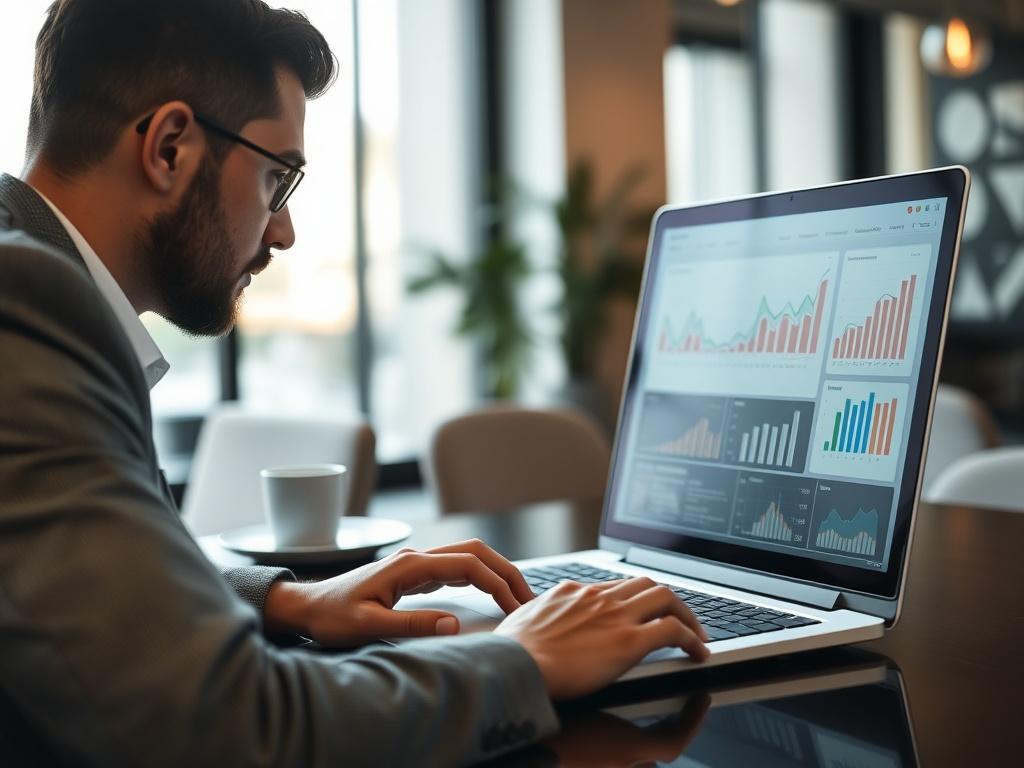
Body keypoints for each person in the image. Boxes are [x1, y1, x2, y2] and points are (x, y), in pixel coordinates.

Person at [0, 1, 709, 765]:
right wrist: (520, 661)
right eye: (277, 177)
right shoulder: (27, 303)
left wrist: (285, 599)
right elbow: (235, 729)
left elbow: (84, 591)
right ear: (170, 147)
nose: (283, 230)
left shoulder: (38, 287)